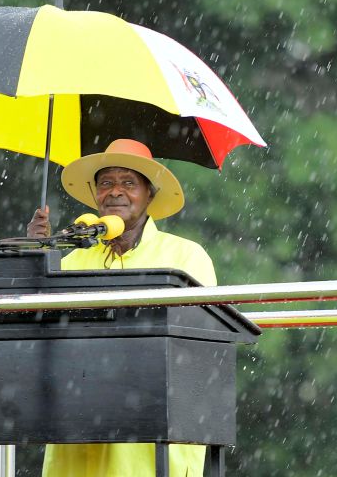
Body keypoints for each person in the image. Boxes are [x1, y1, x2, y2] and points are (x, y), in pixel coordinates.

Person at [27, 138, 216, 477]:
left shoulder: (186, 257)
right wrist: (33, 256)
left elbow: (200, 348)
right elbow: (30, 330)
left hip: (152, 440)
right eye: (106, 183)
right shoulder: (70, 260)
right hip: (76, 438)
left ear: (150, 194)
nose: (115, 191)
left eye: (128, 182)